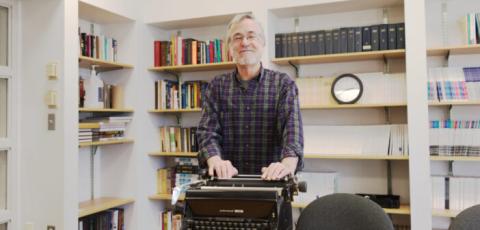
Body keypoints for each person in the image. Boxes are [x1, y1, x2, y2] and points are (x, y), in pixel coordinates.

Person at [197, 13, 304, 180]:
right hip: (225, 185)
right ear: (229, 47)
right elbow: (207, 133)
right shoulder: (216, 86)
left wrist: (286, 166)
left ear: (262, 43)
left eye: (251, 36)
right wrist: (215, 161)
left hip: (272, 184)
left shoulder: (284, 85)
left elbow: (292, 134)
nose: (244, 43)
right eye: (237, 38)